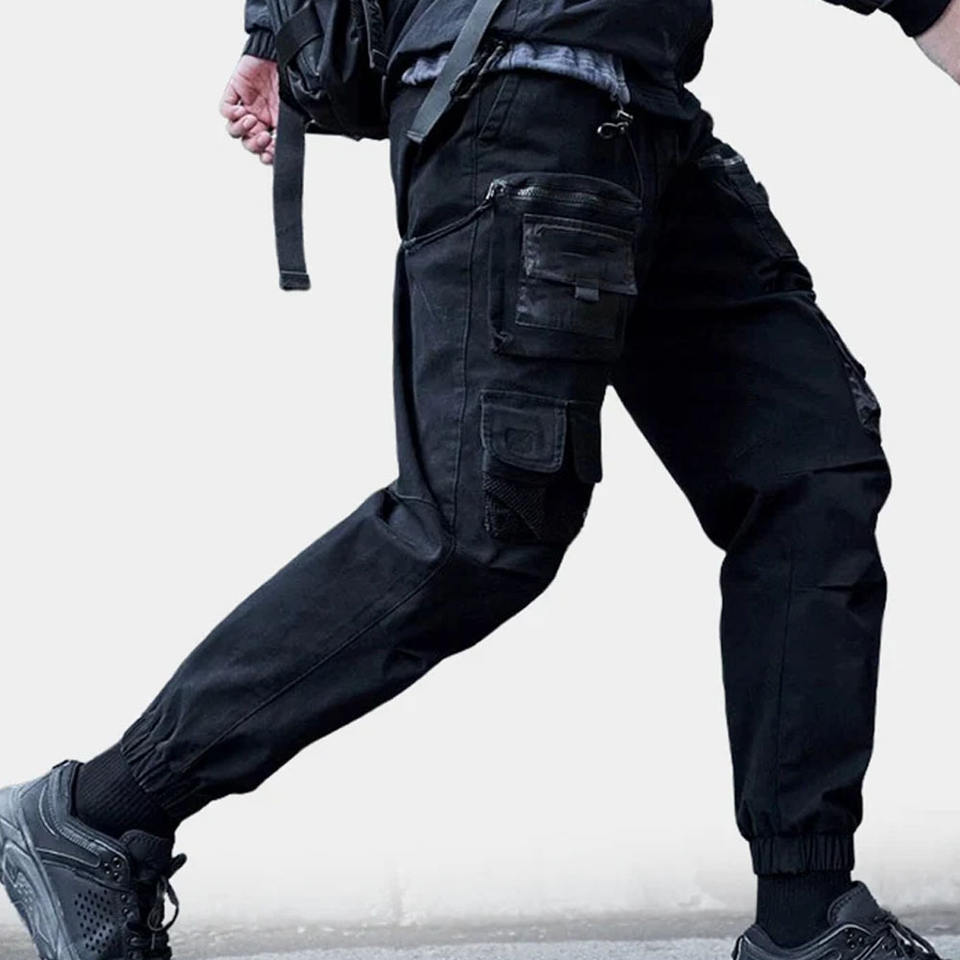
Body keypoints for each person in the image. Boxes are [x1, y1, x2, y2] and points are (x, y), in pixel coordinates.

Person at [1, 1, 957, 959]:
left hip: (648, 113)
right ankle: (99, 810)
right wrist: (281, 35)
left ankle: (804, 917)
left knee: (807, 474)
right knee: (475, 532)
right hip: (527, 99)